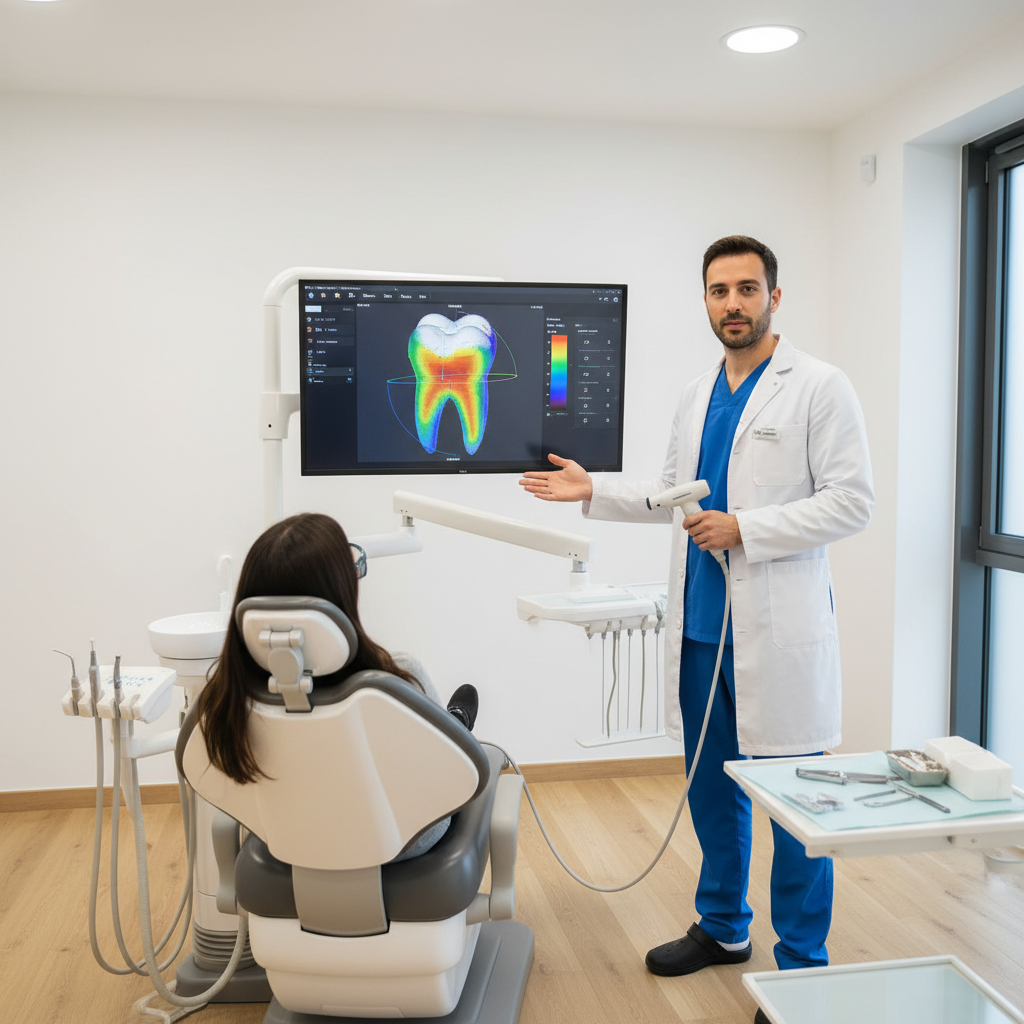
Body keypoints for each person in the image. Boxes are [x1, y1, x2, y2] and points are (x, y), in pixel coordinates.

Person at [519, 236, 873, 1012]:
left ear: (774, 297)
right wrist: (592, 489)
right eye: (719, 291)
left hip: (778, 636)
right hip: (702, 630)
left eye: (747, 289)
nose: (732, 304)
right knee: (712, 794)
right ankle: (722, 927)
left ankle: (802, 967)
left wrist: (747, 527)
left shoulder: (819, 387)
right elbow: (674, 492)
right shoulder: (697, 392)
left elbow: (853, 502)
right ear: (706, 302)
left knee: (795, 804)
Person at [194, 511, 479, 860]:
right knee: (456, 747)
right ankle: (456, 723)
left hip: (287, 842)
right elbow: (451, 775)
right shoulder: (396, 682)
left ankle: (453, 723)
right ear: (342, 591)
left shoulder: (229, 696)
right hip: (406, 844)